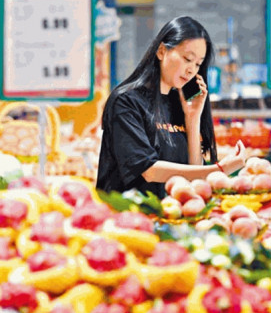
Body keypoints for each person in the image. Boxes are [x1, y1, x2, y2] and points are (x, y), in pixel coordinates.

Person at [97, 16, 246, 197]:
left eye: (198, 64)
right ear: (161, 51)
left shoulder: (180, 103)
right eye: (187, 58)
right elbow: (149, 170)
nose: (192, 69)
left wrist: (192, 120)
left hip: (172, 218)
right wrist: (219, 170)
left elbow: (194, 177)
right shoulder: (126, 101)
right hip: (130, 218)